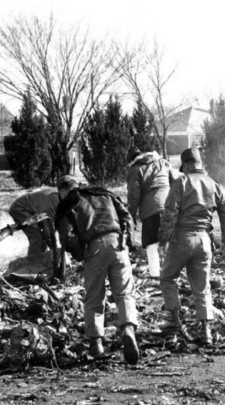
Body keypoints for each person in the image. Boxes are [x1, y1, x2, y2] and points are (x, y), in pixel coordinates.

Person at [55, 176, 139, 364]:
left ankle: (96, 343)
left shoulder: (68, 202)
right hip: (118, 244)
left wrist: (80, 254)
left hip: (94, 247)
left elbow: (67, 236)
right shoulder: (103, 193)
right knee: (125, 293)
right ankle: (128, 330)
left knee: (94, 296)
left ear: (61, 192)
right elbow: (126, 215)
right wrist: (128, 241)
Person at [158, 147, 225, 345]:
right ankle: (206, 332)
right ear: (201, 164)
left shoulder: (181, 182)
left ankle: (175, 322)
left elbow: (170, 214)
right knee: (202, 287)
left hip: (182, 238)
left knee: (167, 278)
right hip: (204, 240)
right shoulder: (214, 184)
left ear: (184, 165)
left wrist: (163, 240)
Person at [126, 147, 172, 277]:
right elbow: (175, 182)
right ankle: (171, 272)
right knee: (168, 240)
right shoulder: (162, 163)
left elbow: (134, 196)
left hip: (151, 210)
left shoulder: (135, 169)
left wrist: (130, 216)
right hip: (170, 208)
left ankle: (155, 274)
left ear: (130, 161)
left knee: (151, 243)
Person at [9, 188, 60, 256]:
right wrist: (56, 252)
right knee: (38, 237)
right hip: (20, 208)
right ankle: (32, 263)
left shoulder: (61, 197)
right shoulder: (55, 203)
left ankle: (42, 258)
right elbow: (47, 229)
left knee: (43, 239)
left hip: (33, 209)